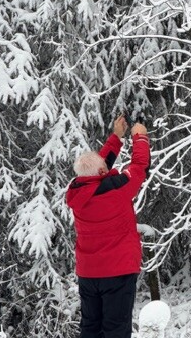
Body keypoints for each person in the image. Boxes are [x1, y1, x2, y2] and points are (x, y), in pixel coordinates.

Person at [66, 115, 151, 338]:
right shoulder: (116, 188)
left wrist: (116, 137)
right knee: (116, 331)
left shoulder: (77, 190)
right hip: (118, 272)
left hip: (88, 274)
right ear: (103, 172)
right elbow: (139, 166)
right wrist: (140, 137)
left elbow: (96, 170)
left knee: (91, 329)